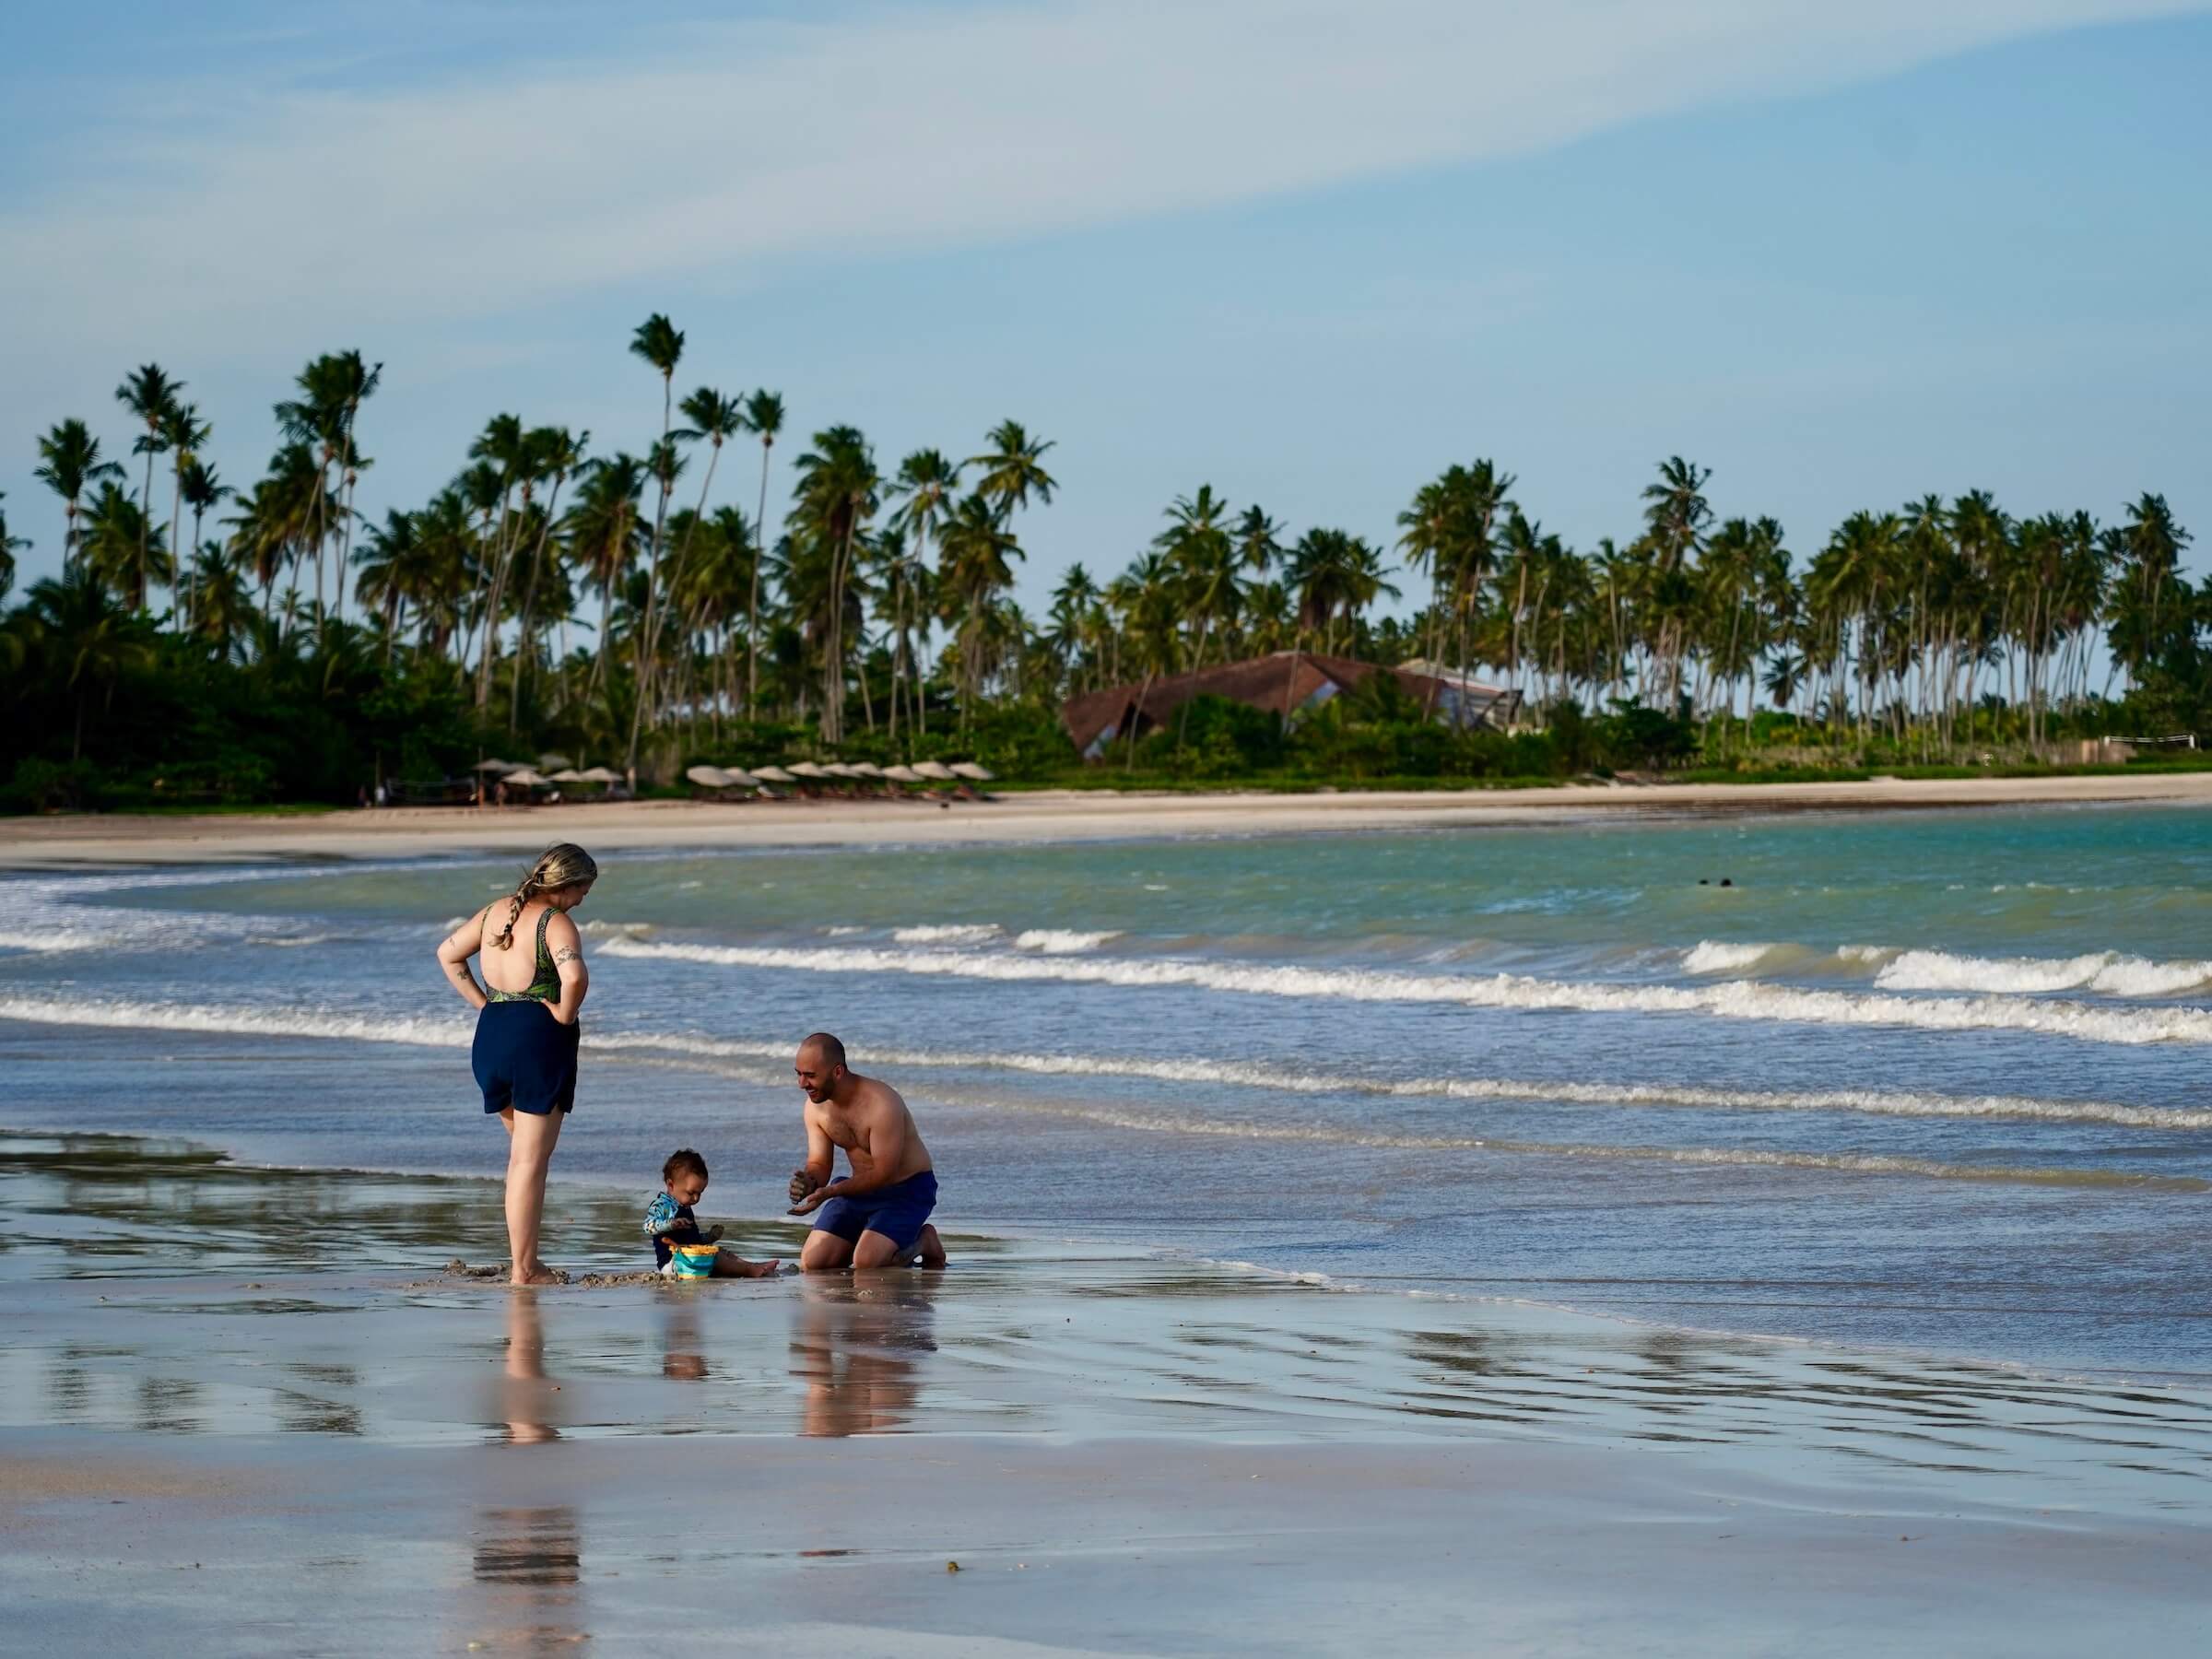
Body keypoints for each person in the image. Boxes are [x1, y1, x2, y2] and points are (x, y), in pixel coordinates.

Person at [436, 842, 598, 1286]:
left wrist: (483, 1005)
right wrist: (565, 1014)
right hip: (537, 1041)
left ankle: (526, 1262)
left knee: (522, 1159)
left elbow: (448, 954)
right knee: (529, 1162)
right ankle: (525, 1269)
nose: (582, 901)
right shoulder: (555, 923)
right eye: (583, 891)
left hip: (492, 1036)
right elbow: (575, 977)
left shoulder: (495, 912)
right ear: (568, 884)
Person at [787, 1033, 947, 1271]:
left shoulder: (881, 1103)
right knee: (814, 1263)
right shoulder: (815, 1108)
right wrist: (809, 1182)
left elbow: (884, 1173)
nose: (802, 1084)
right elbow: (819, 1164)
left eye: (810, 1076)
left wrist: (831, 1192)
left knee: (867, 1263)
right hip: (858, 1190)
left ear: (837, 1072)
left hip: (906, 1189)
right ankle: (868, 1238)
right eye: (798, 1074)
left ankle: (923, 1241)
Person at [646, 1149, 780, 1278]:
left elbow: (694, 1240)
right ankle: (750, 1271)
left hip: (690, 1258)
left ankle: (752, 1265)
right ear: (671, 1185)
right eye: (691, 1193)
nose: (696, 1198)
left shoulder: (684, 1207)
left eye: (700, 1193)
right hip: (674, 1263)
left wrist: (710, 1237)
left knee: (719, 1251)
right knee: (714, 1257)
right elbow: (648, 1226)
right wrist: (670, 1224)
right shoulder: (662, 1206)